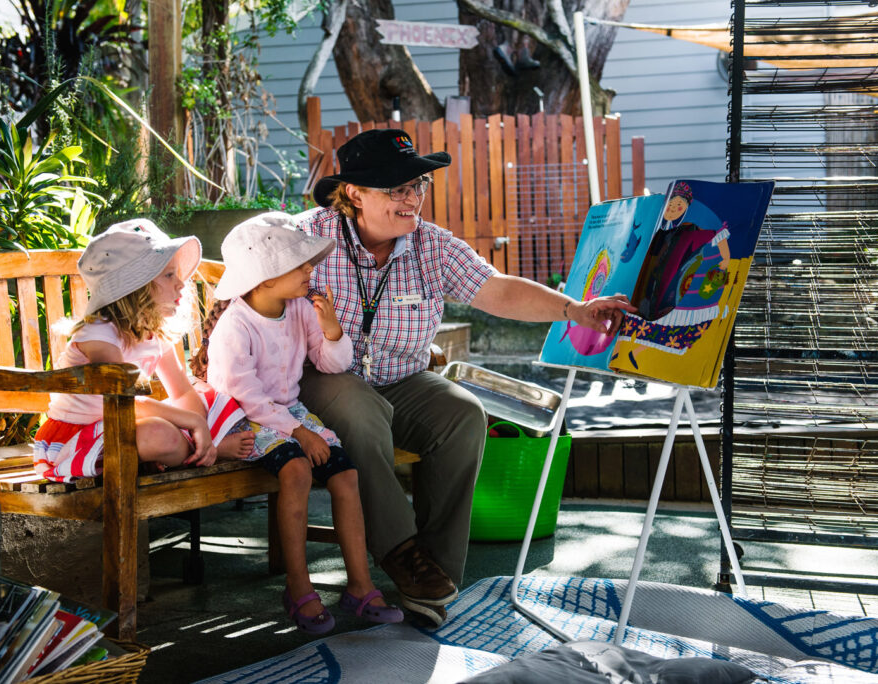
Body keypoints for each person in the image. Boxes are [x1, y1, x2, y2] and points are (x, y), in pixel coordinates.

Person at [296, 128, 636, 626]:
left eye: (418, 186)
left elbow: (498, 290)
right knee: (359, 409)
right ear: (353, 193)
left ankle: (435, 576)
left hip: (401, 379)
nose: (413, 198)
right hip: (324, 376)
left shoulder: (430, 246)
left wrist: (574, 310)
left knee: (462, 413)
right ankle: (403, 553)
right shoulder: (305, 237)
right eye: (397, 189)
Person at [191, 212, 404, 635]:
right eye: (300, 264)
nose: (311, 269)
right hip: (242, 419)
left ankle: (360, 587)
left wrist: (331, 330)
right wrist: (299, 432)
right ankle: (299, 587)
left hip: (286, 413)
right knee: (296, 468)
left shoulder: (300, 309)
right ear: (266, 278)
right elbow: (246, 397)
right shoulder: (236, 325)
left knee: (345, 475)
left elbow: (333, 365)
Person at [32, 219, 254, 483]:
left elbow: (181, 391)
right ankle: (211, 453)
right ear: (135, 286)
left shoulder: (156, 333)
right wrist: (194, 425)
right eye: (169, 275)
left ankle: (201, 449)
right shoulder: (98, 334)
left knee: (210, 399)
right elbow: (124, 401)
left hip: (124, 428)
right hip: (79, 440)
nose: (181, 283)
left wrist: (201, 424)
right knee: (159, 433)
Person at [614, 181, 732, 369]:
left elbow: (715, 235)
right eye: (671, 204)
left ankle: (635, 354)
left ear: (685, 209)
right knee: (638, 318)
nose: (674, 209)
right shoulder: (656, 230)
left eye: (680, 206)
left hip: (670, 288)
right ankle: (621, 352)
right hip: (648, 286)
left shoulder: (688, 230)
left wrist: (725, 258)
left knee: (666, 324)